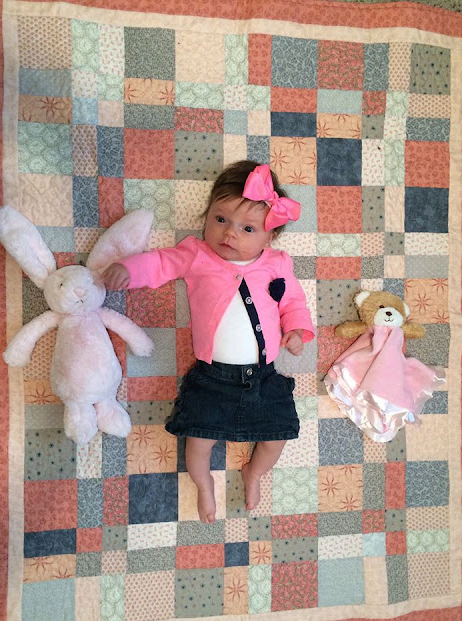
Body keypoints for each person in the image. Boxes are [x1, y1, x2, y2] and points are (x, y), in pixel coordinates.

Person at [103, 161, 315, 524]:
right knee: (198, 442)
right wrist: (129, 269)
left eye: (247, 228)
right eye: (220, 219)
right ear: (207, 216)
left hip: (263, 377)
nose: (230, 233)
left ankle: (254, 473)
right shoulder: (197, 255)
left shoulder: (278, 264)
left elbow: (293, 301)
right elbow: (160, 263)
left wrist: (296, 330)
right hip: (212, 378)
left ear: (270, 237)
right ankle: (204, 485)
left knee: (276, 436)